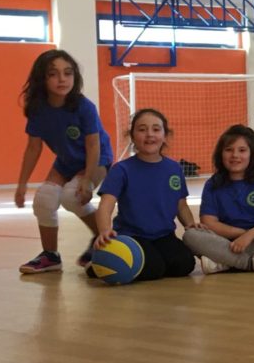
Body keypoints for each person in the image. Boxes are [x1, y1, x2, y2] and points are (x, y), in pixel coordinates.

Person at [15, 50, 113, 273]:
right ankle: (50, 256)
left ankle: (102, 236)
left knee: (72, 196)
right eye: (53, 74)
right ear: (42, 78)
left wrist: (87, 180)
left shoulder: (84, 106)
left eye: (68, 73)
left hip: (97, 160)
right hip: (67, 161)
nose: (62, 79)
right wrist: (22, 184)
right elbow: (33, 148)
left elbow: (93, 146)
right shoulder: (38, 109)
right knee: (44, 198)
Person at [92, 109, 199, 281]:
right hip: (132, 236)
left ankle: (125, 262)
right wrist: (105, 231)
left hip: (163, 235)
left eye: (156, 129)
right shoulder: (121, 169)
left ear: (165, 136)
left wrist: (190, 225)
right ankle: (104, 263)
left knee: (184, 264)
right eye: (142, 129)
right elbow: (105, 205)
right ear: (133, 136)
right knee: (153, 269)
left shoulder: (174, 168)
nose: (149, 134)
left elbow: (181, 205)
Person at [183, 125, 254, 273]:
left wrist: (250, 236)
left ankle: (225, 262)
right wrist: (242, 234)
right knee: (190, 236)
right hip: (223, 240)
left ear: (252, 154)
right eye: (229, 150)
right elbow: (209, 222)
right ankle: (250, 263)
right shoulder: (213, 184)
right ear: (221, 154)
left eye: (242, 150)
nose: (235, 155)